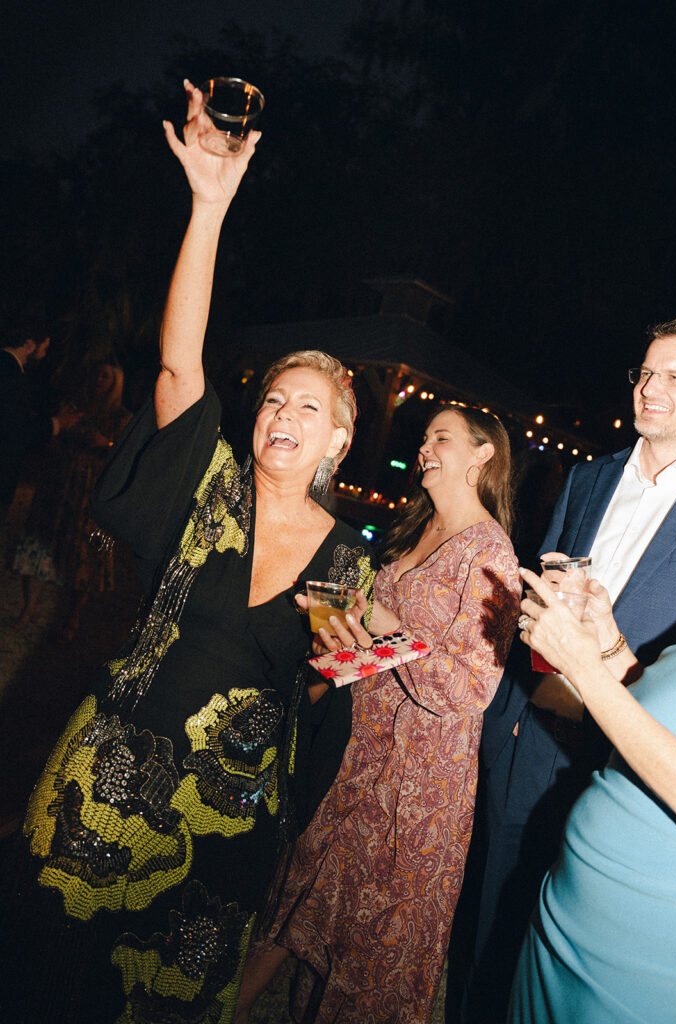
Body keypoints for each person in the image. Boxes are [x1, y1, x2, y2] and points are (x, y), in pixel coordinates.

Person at [0, 82, 375, 1024]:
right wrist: (209, 206)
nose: (283, 416)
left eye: (309, 409)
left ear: (339, 442)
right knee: (42, 978)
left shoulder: (351, 563)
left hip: (223, 837)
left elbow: (323, 702)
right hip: (108, 777)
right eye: (275, 401)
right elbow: (179, 365)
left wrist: (339, 674)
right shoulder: (209, 488)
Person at [237, 405, 521, 1024]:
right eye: (423, 437)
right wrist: (338, 620)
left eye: (441, 437)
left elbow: (471, 690)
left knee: (370, 960)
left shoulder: (492, 555)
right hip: (355, 754)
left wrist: (389, 626)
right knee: (293, 906)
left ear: (482, 455)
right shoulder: (418, 529)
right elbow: (376, 643)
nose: (425, 447)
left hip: (417, 786)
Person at [450, 321, 676, 1024]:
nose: (651, 388)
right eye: (646, 372)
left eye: (675, 378)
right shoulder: (587, 478)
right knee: (495, 909)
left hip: (629, 760)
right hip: (533, 730)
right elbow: (532, 597)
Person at [508, 567, 676, 1024]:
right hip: (564, 927)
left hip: (633, 971)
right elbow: (664, 714)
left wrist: (583, 669)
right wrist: (607, 639)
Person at [13, 361, 132, 638]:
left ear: (116, 382)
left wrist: (108, 444)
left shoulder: (120, 417)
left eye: (105, 376)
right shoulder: (75, 407)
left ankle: (72, 617)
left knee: (84, 556)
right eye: (96, 374)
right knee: (41, 544)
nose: (98, 380)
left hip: (90, 492)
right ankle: (30, 608)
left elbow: (128, 457)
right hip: (60, 485)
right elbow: (51, 443)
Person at [0, 332, 80, 518]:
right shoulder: (11, 376)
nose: (44, 354)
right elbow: (15, 431)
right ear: (29, 344)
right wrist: (57, 423)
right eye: (44, 347)